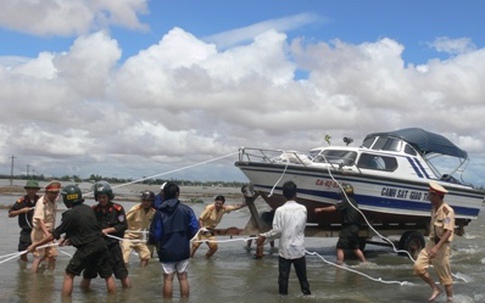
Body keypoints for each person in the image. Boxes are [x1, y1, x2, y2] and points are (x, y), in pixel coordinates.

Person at [27, 185, 116, 296]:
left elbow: (53, 235)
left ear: (67, 199)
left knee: (69, 275)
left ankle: (65, 299)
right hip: (101, 245)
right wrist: (67, 239)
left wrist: (35, 244)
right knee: (108, 276)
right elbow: (84, 228)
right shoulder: (88, 208)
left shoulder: (70, 214)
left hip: (87, 248)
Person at [256, 180, 311, 296]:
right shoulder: (303, 209)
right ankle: (307, 296)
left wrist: (263, 237)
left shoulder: (280, 210)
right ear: (296, 194)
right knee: (303, 278)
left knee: (283, 278)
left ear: (283, 195)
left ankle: (282, 298)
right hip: (299, 249)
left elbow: (277, 231)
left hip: (285, 250)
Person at [148, 182, 199, 298]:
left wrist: (155, 243)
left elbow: (156, 234)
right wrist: (185, 238)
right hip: (183, 248)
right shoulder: (187, 210)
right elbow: (195, 228)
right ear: (177, 194)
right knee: (183, 277)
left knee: (168, 278)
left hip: (166, 249)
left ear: (164, 195)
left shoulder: (160, 212)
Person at [81, 181, 131, 289]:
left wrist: (107, 230)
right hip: (96, 246)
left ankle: (127, 294)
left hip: (112, 245)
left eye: (104, 197)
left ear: (109, 196)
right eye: (99, 197)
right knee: (88, 272)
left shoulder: (117, 209)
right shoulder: (93, 210)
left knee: (121, 272)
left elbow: (123, 226)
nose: (102, 200)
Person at [413, 181, 455, 302]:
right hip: (430, 244)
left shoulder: (448, 211)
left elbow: (448, 232)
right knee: (418, 267)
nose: (429, 196)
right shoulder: (433, 210)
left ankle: (450, 300)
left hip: (441, 246)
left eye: (430, 194)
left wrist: (437, 248)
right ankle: (435, 289)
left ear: (436, 196)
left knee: (446, 277)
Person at [314, 183, 366, 264]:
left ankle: (339, 265)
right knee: (355, 248)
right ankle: (365, 262)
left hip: (348, 227)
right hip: (355, 227)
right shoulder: (354, 201)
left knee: (340, 248)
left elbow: (334, 208)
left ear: (343, 193)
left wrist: (321, 209)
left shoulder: (345, 201)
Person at [31, 180, 61, 273]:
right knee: (38, 257)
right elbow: (40, 221)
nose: (54, 195)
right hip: (40, 232)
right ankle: (33, 278)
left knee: (52, 256)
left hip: (50, 232)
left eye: (56, 193)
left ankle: (50, 276)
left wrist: (51, 235)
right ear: (46, 192)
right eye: (52, 193)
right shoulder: (41, 203)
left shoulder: (54, 201)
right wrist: (48, 235)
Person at [8, 180, 41, 262]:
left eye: (34, 189)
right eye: (29, 189)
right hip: (26, 231)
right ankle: (24, 268)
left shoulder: (41, 200)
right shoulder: (21, 201)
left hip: (39, 230)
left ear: (37, 190)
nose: (31, 191)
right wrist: (21, 211)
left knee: (41, 252)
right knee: (23, 252)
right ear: (26, 190)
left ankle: (38, 267)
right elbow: (10, 214)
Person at [121, 190, 156, 267]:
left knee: (146, 256)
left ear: (152, 202)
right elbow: (123, 220)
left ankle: (142, 272)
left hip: (139, 238)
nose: (145, 202)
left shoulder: (153, 212)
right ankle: (124, 275)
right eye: (144, 200)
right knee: (124, 258)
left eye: (148, 201)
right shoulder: (135, 209)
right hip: (128, 236)